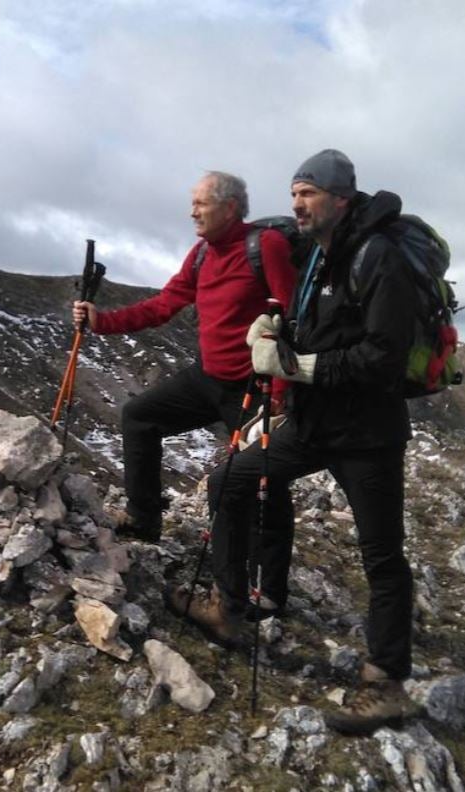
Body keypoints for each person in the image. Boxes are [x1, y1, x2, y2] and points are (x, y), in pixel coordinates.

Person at [165, 150, 419, 735]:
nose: (297, 204)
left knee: (381, 556)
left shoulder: (377, 257)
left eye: (308, 193)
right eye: (294, 193)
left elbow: (385, 355)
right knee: (229, 479)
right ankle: (230, 611)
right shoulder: (321, 258)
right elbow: (319, 330)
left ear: (340, 198)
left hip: (368, 436)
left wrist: (302, 366)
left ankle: (386, 684)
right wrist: (277, 338)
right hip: (312, 426)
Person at [72, 171, 297, 614]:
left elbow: (293, 315)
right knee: (140, 415)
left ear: (230, 207)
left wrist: (281, 388)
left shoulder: (264, 246)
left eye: (200, 203)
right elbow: (164, 304)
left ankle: (270, 590)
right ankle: (144, 517)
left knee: (266, 482)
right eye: (192, 202)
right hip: (208, 377)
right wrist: (103, 322)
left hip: (254, 386)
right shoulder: (201, 254)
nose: (191, 210)